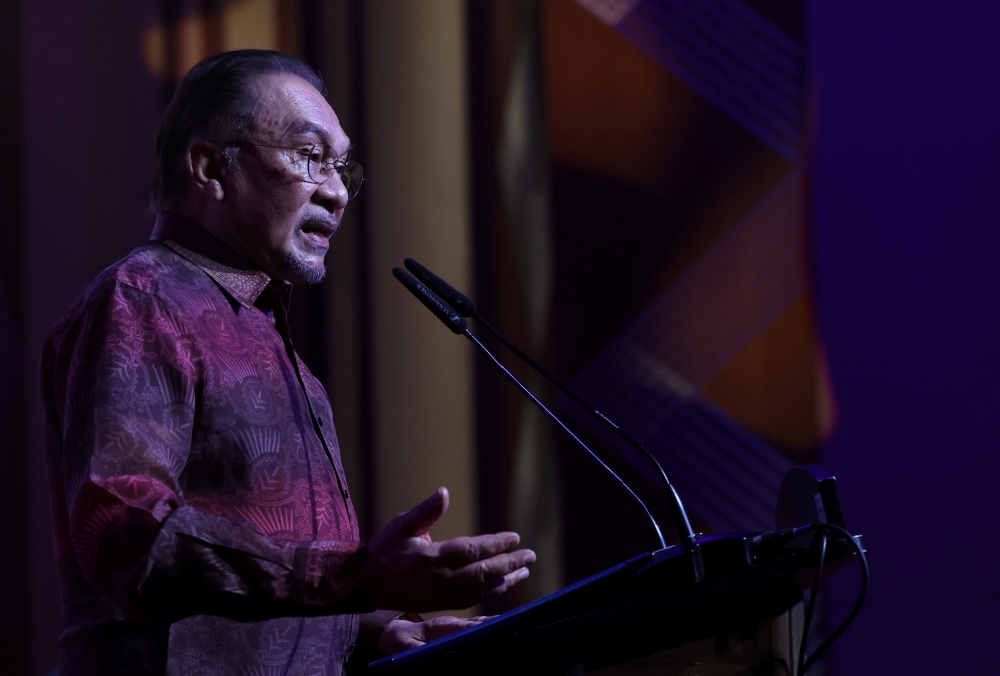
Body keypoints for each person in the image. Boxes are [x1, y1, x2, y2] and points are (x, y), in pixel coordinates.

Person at [40, 49, 535, 676]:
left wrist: (378, 630)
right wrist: (358, 577)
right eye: (308, 156)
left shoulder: (277, 344)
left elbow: (274, 600)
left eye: (342, 167)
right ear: (211, 168)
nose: (336, 191)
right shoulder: (144, 299)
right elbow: (123, 534)